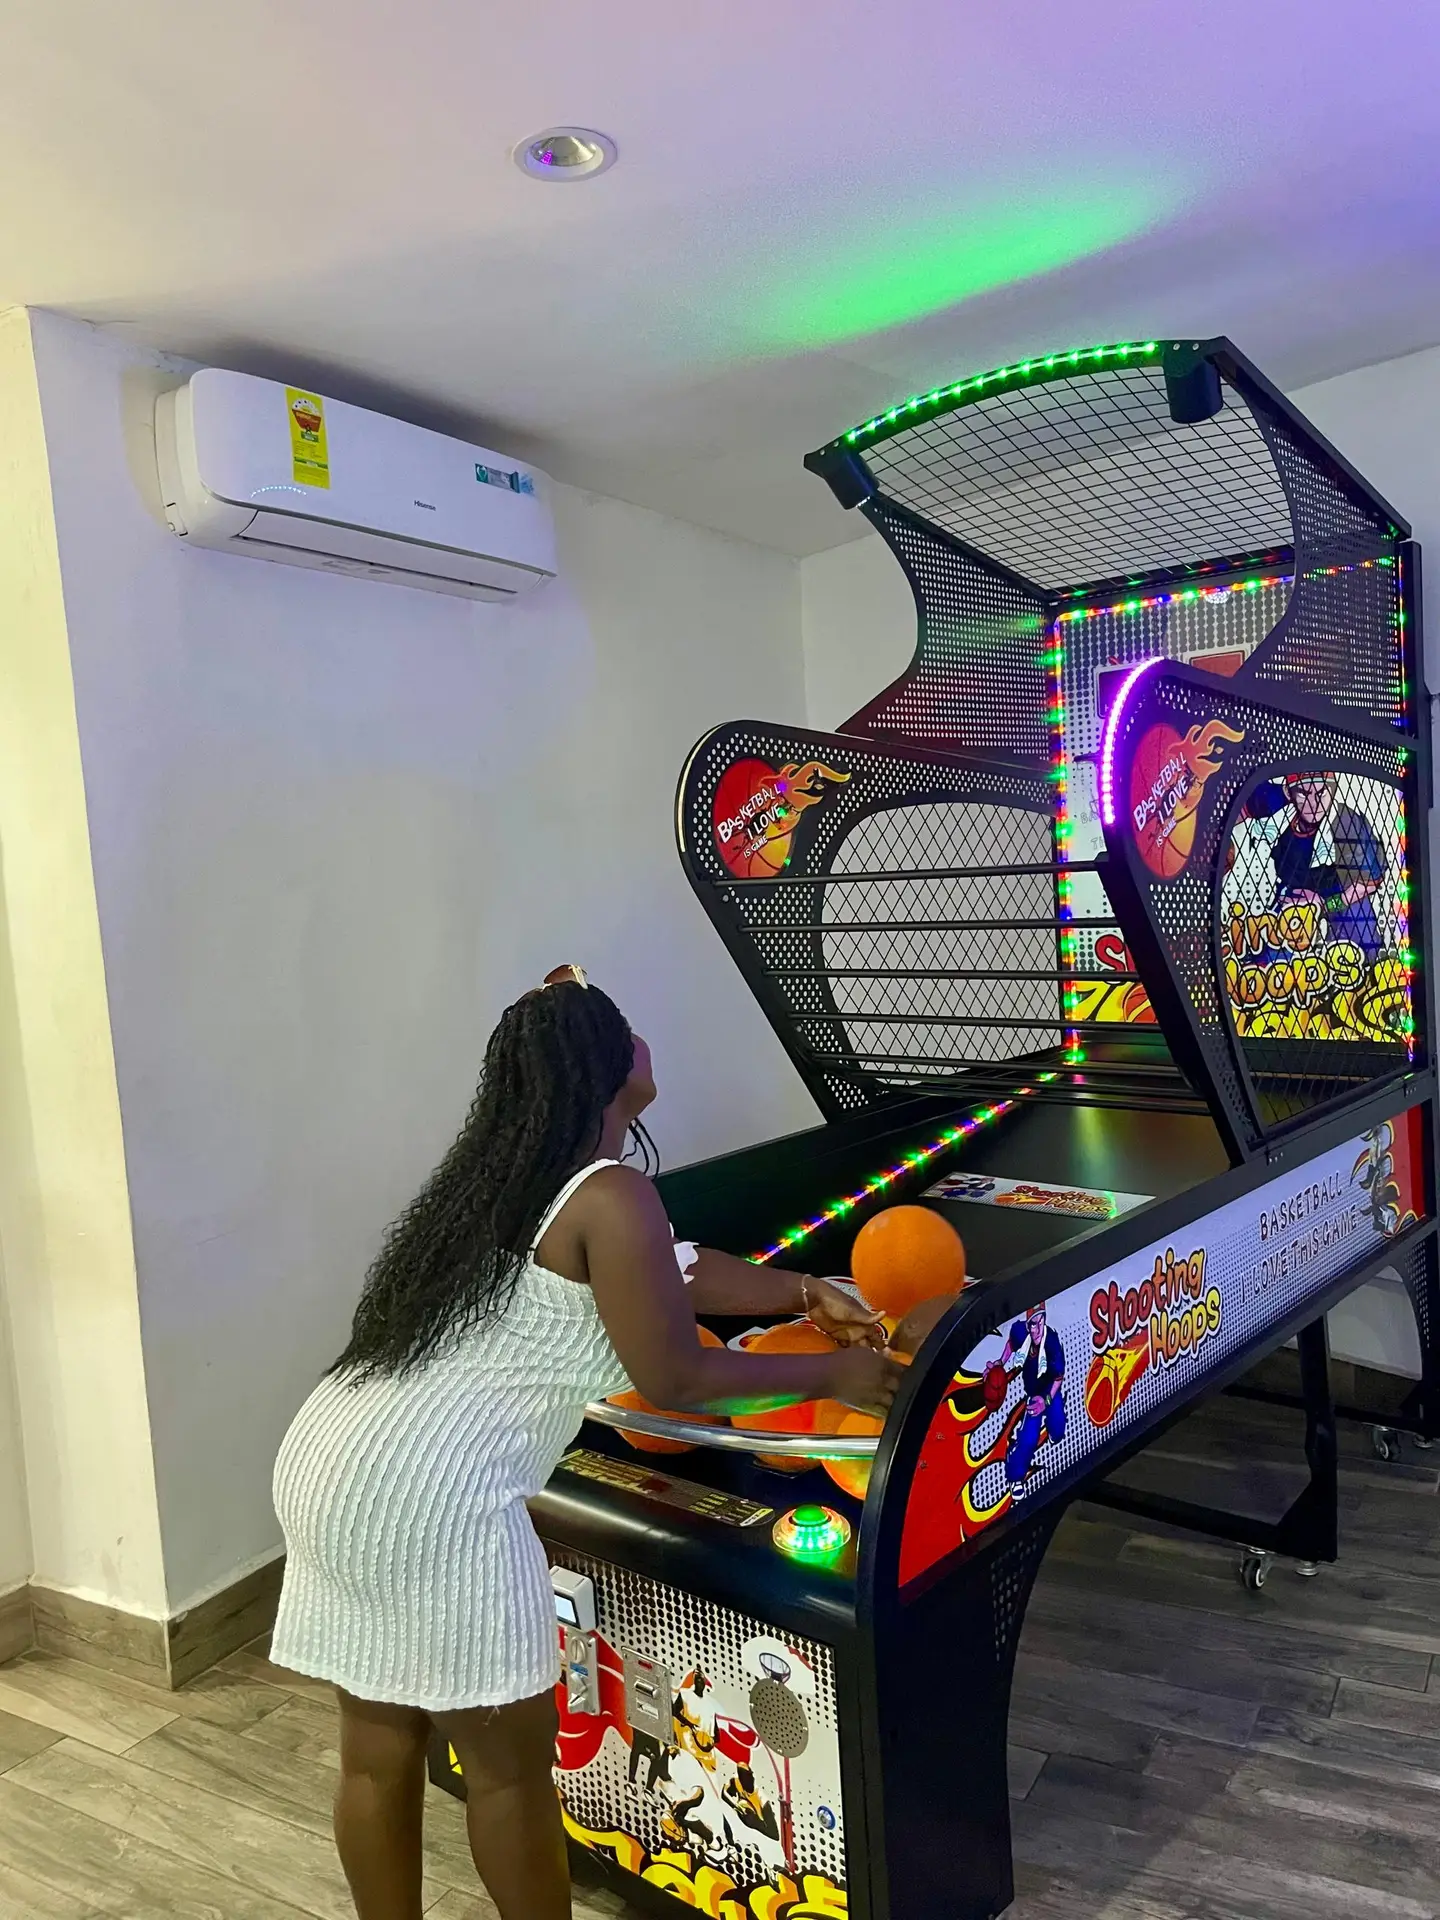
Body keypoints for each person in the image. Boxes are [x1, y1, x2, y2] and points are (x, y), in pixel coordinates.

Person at [270, 965, 900, 1920]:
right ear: (607, 1065)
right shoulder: (611, 1191)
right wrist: (833, 1376)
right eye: (630, 1028)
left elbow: (680, 1272)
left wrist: (806, 1291)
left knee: (377, 1748)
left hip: (332, 1459)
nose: (647, 1040)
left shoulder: (510, 1181)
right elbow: (674, 1376)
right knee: (509, 1774)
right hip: (429, 1497)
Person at [1273, 773, 1386, 960]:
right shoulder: (1281, 828)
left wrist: (1325, 905)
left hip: (1346, 908)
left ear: (1332, 790)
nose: (1313, 803)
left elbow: (1369, 883)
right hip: (1299, 914)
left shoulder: (1347, 822)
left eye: (1321, 793)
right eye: (1303, 794)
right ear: (1288, 793)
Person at [1000, 1302, 1066, 1491]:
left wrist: (1046, 1401)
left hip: (1050, 1392)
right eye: (1032, 1324)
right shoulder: (1020, 1332)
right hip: (1034, 1394)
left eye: (1039, 1322)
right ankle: (1015, 1477)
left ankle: (1055, 1431)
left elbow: (1058, 1378)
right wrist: (999, 1363)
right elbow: (1011, 1344)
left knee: (1058, 1429)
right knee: (1028, 1439)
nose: (1036, 1329)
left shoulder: (1051, 1341)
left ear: (1044, 1319)